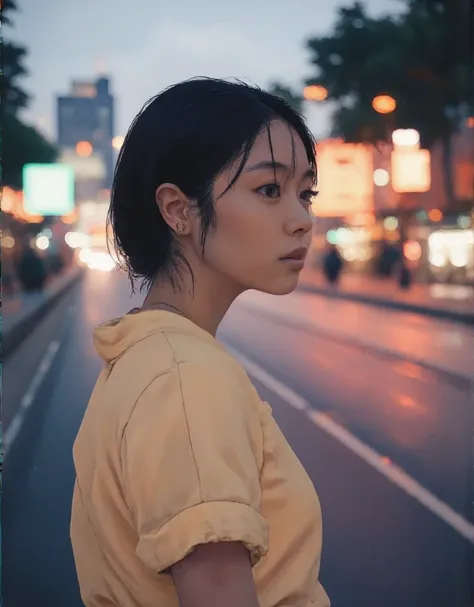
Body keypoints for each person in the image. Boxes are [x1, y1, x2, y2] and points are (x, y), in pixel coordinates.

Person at [70, 78, 330, 607]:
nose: (303, 220)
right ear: (178, 210)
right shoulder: (187, 378)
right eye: (269, 190)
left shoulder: (143, 356)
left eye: (305, 193)